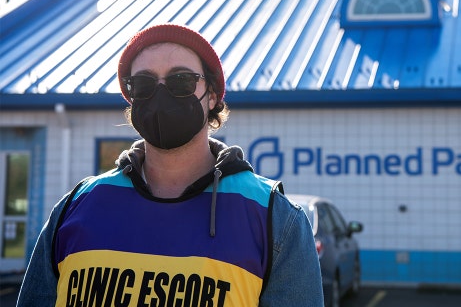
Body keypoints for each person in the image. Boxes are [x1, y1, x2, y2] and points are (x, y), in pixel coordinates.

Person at [17, 23, 324, 306]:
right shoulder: (76, 207)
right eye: (143, 83)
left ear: (213, 96)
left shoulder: (275, 219)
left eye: (181, 80)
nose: (161, 94)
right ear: (131, 98)